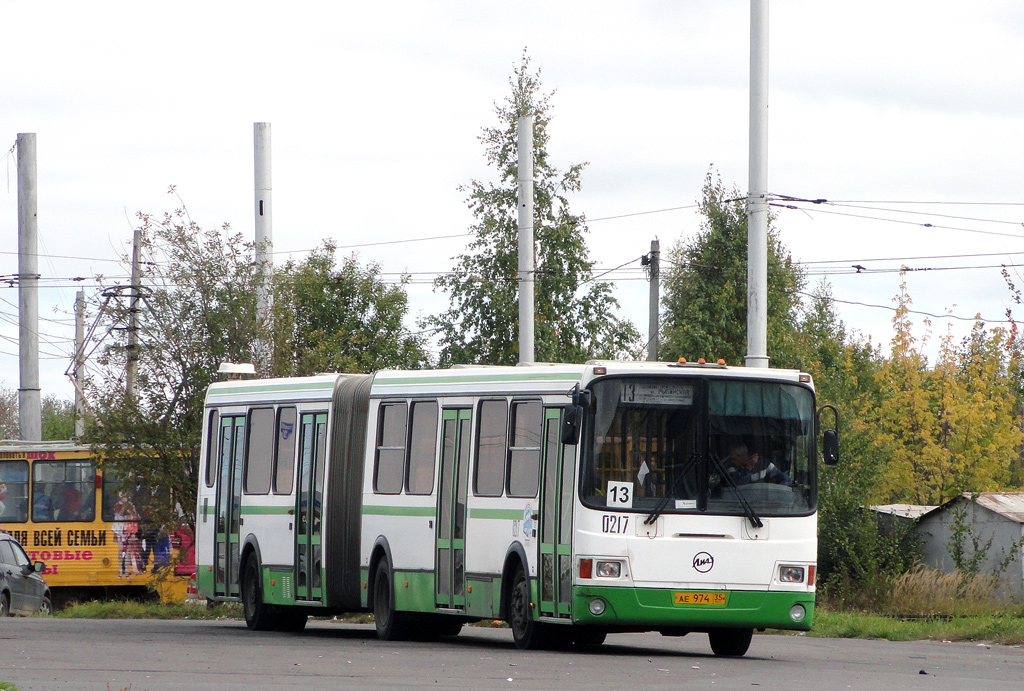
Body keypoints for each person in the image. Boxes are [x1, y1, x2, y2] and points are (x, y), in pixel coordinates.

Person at [724, 442, 792, 486]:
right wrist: (748, 467)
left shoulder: (763, 464)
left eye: (734, 459)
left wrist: (777, 493)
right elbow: (738, 485)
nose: (732, 461)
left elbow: (786, 480)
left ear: (744, 456)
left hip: (762, 503)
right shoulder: (731, 468)